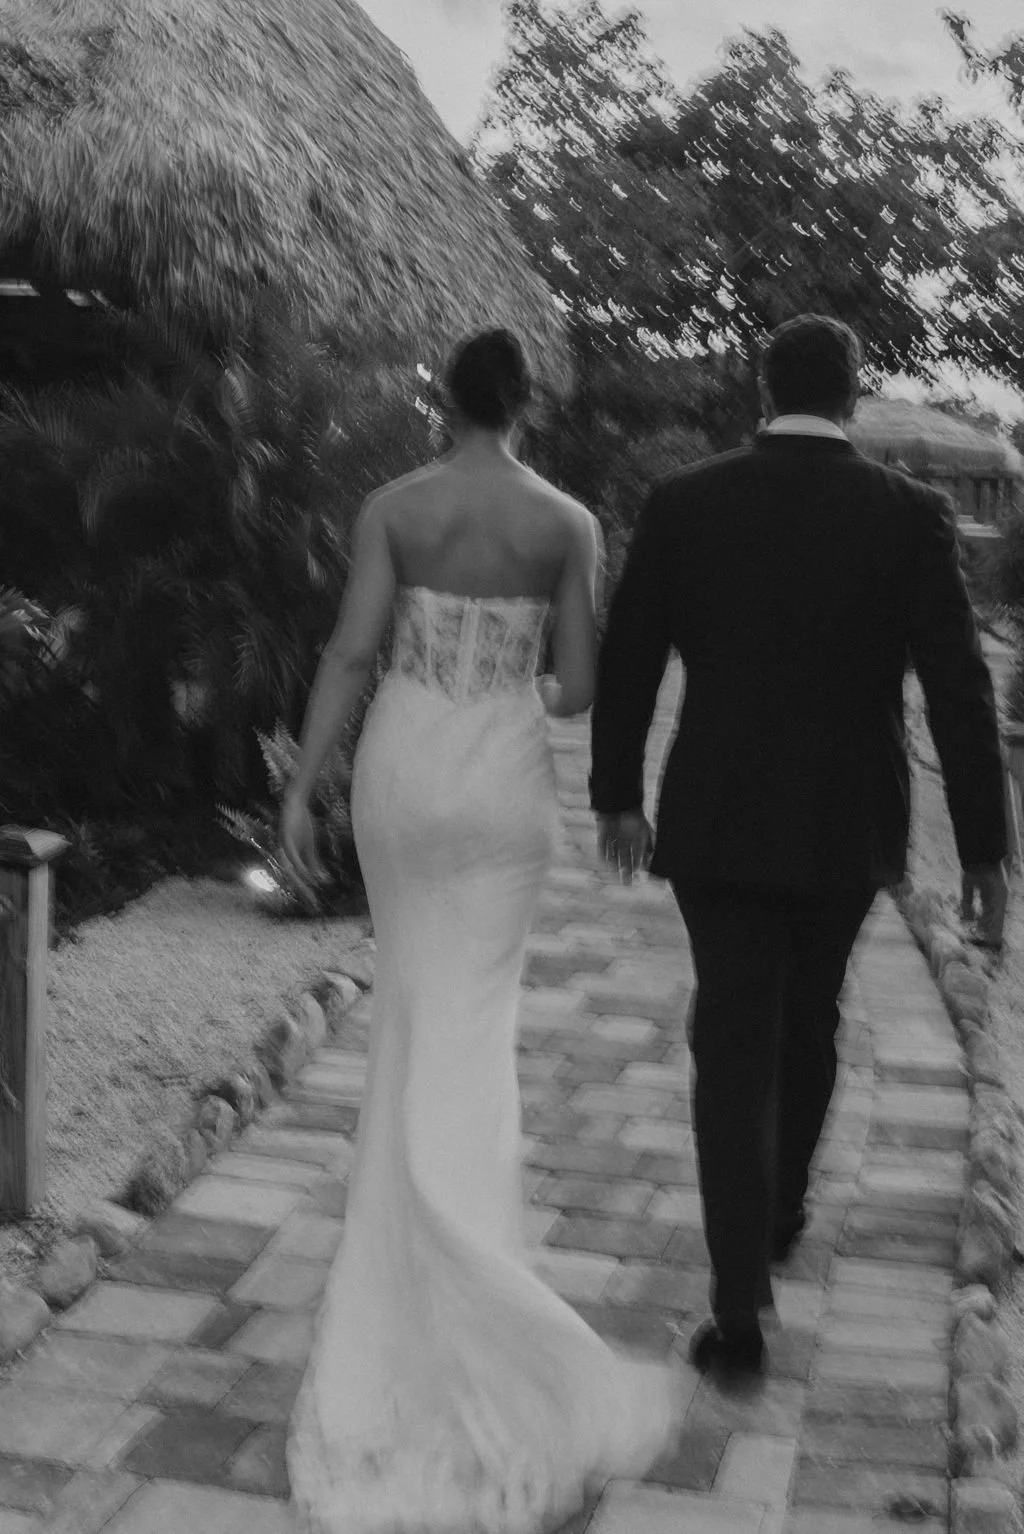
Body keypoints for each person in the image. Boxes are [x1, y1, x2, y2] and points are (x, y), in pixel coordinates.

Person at [279, 329, 679, 1533]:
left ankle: (411, 1282)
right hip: (501, 780)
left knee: (408, 1014)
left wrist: (301, 785)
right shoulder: (566, 522)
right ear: (525, 406)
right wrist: (508, 655)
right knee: (473, 1034)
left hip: (405, 765)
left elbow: (354, 650)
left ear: (442, 397)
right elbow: (574, 689)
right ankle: (469, 1259)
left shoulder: (393, 505)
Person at [590, 313, 1009, 1382]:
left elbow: (630, 653)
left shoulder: (685, 505)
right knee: (809, 1014)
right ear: (855, 394)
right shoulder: (907, 516)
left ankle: (738, 1299)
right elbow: (958, 686)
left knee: (729, 1039)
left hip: (717, 817)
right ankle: (776, 1209)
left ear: (760, 387)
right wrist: (982, 850)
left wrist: (616, 799)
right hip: (846, 821)